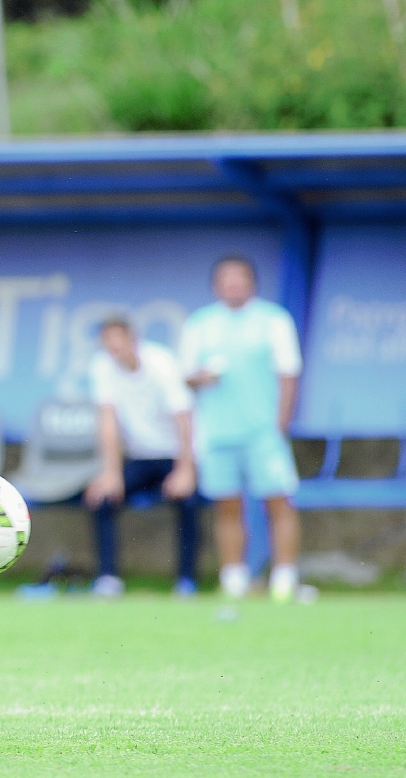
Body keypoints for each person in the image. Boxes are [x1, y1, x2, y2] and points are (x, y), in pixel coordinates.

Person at [179, 255, 303, 603]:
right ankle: (234, 579)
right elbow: (186, 377)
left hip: (264, 433)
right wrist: (200, 378)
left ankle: (284, 579)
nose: (233, 284)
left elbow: (289, 373)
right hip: (217, 434)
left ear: (252, 282)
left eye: (240, 278)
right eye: (226, 279)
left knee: (278, 503)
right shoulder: (200, 324)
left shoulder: (273, 320)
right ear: (216, 285)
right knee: (226, 508)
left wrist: (280, 424)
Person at [83, 317, 201, 597]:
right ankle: (108, 578)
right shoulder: (102, 367)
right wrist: (110, 472)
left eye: (118, 340)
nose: (113, 348)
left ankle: (186, 581)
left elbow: (184, 417)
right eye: (107, 343)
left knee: (188, 500)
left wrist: (186, 470)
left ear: (133, 339)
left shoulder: (162, 363)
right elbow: (108, 422)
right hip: (140, 457)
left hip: (175, 454)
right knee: (101, 498)